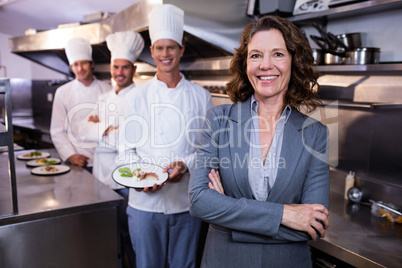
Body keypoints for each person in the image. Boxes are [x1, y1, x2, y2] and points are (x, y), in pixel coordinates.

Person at [189, 15, 330, 268]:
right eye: (255, 55)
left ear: (293, 61)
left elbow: (313, 227)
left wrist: (226, 215)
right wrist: (286, 214)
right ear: (245, 64)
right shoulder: (219, 120)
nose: (265, 65)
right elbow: (199, 201)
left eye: (277, 54)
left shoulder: (315, 133)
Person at [118, 4, 213, 268]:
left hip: (187, 206)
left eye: (171, 47)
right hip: (144, 206)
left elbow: (208, 150)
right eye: (159, 48)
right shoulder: (136, 96)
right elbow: (126, 152)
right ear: (151, 53)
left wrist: (186, 165)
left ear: (181, 49)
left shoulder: (200, 96)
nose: (165, 54)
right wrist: (141, 179)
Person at [77, 30, 144, 268]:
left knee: (130, 237)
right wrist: (111, 129)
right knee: (107, 237)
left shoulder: (140, 96)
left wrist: (100, 130)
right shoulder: (104, 98)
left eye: (125, 67)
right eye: (116, 67)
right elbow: (82, 130)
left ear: (134, 69)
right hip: (101, 178)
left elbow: (132, 140)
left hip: (126, 180)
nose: (119, 72)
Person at [50, 37, 111, 172]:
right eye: (76, 64)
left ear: (92, 64)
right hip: (79, 160)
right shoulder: (62, 92)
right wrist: (70, 155)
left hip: (106, 160)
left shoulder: (108, 90)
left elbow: (112, 126)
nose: (80, 68)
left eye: (84, 63)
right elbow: (57, 130)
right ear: (71, 67)